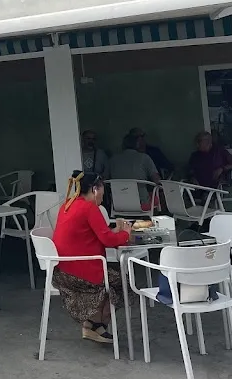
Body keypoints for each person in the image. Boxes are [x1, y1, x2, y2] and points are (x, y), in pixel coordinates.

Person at [51, 171, 132, 344]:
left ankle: (93, 325)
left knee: (114, 278)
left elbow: (91, 235)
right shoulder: (89, 208)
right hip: (82, 273)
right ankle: (95, 324)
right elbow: (108, 240)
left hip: (63, 270)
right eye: (102, 189)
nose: (104, 193)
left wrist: (114, 233)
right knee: (124, 282)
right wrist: (125, 233)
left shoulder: (67, 204)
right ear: (95, 189)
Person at [108, 131, 162, 209]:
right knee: (156, 197)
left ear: (123, 145)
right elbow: (157, 180)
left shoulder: (112, 160)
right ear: (137, 144)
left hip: (118, 203)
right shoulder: (145, 158)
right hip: (142, 203)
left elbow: (105, 179)